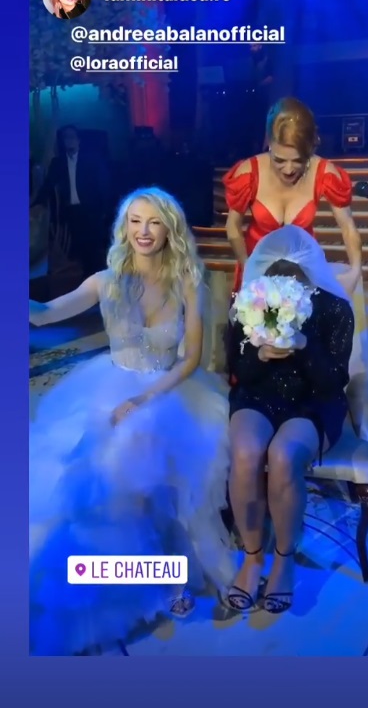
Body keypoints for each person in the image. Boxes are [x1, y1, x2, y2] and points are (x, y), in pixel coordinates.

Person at [29, 187, 235, 655]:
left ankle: (174, 575)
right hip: (109, 388)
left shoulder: (186, 280)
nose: (144, 231)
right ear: (124, 227)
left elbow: (191, 359)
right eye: (135, 221)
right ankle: (134, 577)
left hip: (168, 390)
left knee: (167, 484)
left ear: (169, 229)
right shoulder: (105, 281)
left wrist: (142, 400)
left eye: (154, 222)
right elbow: (44, 316)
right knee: (103, 484)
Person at [226, 225, 354, 615]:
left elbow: (334, 381)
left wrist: (303, 345)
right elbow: (239, 372)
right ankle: (252, 557)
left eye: (295, 274)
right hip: (260, 394)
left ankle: (283, 558)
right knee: (245, 453)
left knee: (283, 455)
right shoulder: (248, 302)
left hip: (315, 402)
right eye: (275, 272)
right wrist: (259, 355)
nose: (285, 280)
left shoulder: (335, 308)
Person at [222, 97, 362, 298]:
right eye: (279, 160)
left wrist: (355, 271)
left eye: (298, 161)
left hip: (304, 273)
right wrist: (249, 269)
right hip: (256, 272)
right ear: (269, 143)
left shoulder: (324, 173)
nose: (288, 170)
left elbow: (347, 227)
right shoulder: (248, 173)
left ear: (310, 149)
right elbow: (233, 227)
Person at [32, 125, 108, 278]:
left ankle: (97, 278)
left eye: (72, 137)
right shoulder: (58, 163)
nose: (69, 141)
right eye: (66, 137)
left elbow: (103, 185)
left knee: (93, 248)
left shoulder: (91, 160)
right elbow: (48, 186)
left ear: (79, 140)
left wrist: (104, 210)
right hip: (70, 212)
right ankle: (85, 279)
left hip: (90, 211)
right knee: (77, 249)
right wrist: (36, 204)